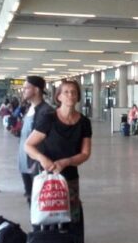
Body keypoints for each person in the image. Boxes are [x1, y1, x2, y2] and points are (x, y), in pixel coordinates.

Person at [24, 79, 92, 225]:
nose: (70, 95)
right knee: (47, 213)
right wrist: (42, 159)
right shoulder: (49, 119)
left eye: (74, 92)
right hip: (48, 176)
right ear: (59, 97)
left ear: (78, 96)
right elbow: (29, 145)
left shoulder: (84, 122)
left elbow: (85, 153)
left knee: (72, 215)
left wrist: (67, 162)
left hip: (70, 176)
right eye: (66, 92)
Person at [18, 76, 53, 204]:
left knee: (40, 202)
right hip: (24, 163)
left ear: (37, 90)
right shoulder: (29, 109)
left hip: (36, 165)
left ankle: (40, 225)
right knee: (30, 198)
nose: (24, 91)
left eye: (26, 88)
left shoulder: (46, 112)